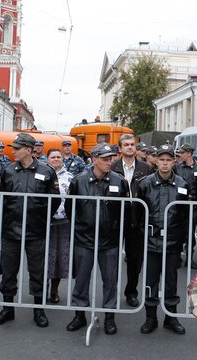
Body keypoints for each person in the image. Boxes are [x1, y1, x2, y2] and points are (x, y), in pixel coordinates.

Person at [0, 132, 58, 328]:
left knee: (37, 272)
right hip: (11, 231)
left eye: (17, 148)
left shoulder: (46, 171)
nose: (13, 151)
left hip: (36, 231)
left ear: (28, 150)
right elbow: (1, 197)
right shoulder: (8, 171)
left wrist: (42, 220)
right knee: (9, 272)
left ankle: (39, 310)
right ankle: (7, 309)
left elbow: (54, 200)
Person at [65, 143, 130, 335]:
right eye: (105, 159)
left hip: (110, 241)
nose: (109, 162)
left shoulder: (119, 182)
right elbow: (71, 209)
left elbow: (125, 211)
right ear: (94, 160)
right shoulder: (79, 181)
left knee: (110, 281)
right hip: (84, 240)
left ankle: (109, 316)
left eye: (111, 159)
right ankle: (79, 315)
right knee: (81, 280)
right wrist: (80, 229)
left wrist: (117, 231)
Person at [134, 144, 189, 335]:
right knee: (150, 281)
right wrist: (143, 234)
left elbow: (186, 215)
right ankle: (151, 317)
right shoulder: (145, 183)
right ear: (156, 161)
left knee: (171, 282)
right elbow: (138, 213)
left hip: (172, 243)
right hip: (150, 241)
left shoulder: (183, 185)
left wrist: (183, 239)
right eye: (162, 160)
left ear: (174, 162)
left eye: (168, 160)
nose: (165, 164)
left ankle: (171, 317)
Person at [112, 133, 152, 306]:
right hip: (115, 218)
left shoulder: (146, 168)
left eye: (132, 144)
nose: (130, 147)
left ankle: (131, 292)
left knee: (135, 259)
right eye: (126, 144)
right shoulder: (112, 166)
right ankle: (110, 292)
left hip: (137, 218)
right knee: (111, 258)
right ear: (120, 148)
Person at [46, 148, 72, 305]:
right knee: (43, 258)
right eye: (53, 157)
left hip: (63, 222)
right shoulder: (42, 175)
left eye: (58, 157)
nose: (56, 159)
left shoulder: (70, 177)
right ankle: (40, 290)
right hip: (45, 223)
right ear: (47, 159)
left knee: (60, 259)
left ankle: (54, 291)